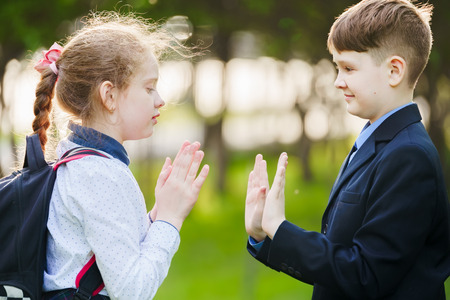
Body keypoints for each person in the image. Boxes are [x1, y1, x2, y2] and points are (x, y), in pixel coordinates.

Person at [245, 0, 450, 299]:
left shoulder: (409, 155)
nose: (338, 82)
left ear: (394, 71)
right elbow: (341, 257)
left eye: (349, 68)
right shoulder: (376, 139)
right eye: (337, 68)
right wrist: (263, 234)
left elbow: (365, 275)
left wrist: (281, 227)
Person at [32, 11, 209, 299]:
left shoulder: (80, 162)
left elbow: (114, 249)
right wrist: (170, 220)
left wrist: (155, 215)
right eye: (149, 87)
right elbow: (132, 290)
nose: (160, 99)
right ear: (109, 96)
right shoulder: (99, 175)